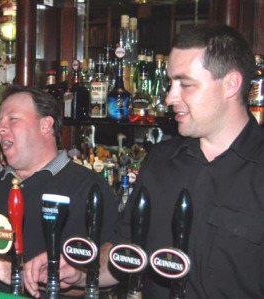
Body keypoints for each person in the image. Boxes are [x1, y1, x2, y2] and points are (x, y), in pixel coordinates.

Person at [112, 24, 263, 298]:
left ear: (230, 84)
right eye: (171, 83)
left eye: (185, 84)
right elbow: (125, 252)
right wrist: (78, 268)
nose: (170, 98)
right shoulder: (160, 160)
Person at [0, 84, 120, 297]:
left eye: (12, 119)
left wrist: (17, 272)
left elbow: (108, 274)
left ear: (46, 125)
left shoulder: (89, 188)